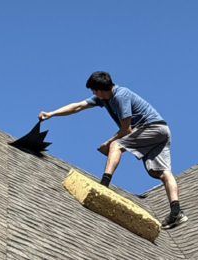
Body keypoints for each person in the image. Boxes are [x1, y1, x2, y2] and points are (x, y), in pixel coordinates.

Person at [38, 71, 188, 229]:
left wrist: (108, 143)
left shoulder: (120, 96)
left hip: (152, 128)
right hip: (162, 130)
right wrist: (51, 114)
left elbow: (126, 129)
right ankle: (176, 212)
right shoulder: (104, 98)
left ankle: (104, 184)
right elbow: (78, 106)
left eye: (94, 91)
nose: (93, 94)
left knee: (116, 145)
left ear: (100, 90)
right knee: (162, 172)